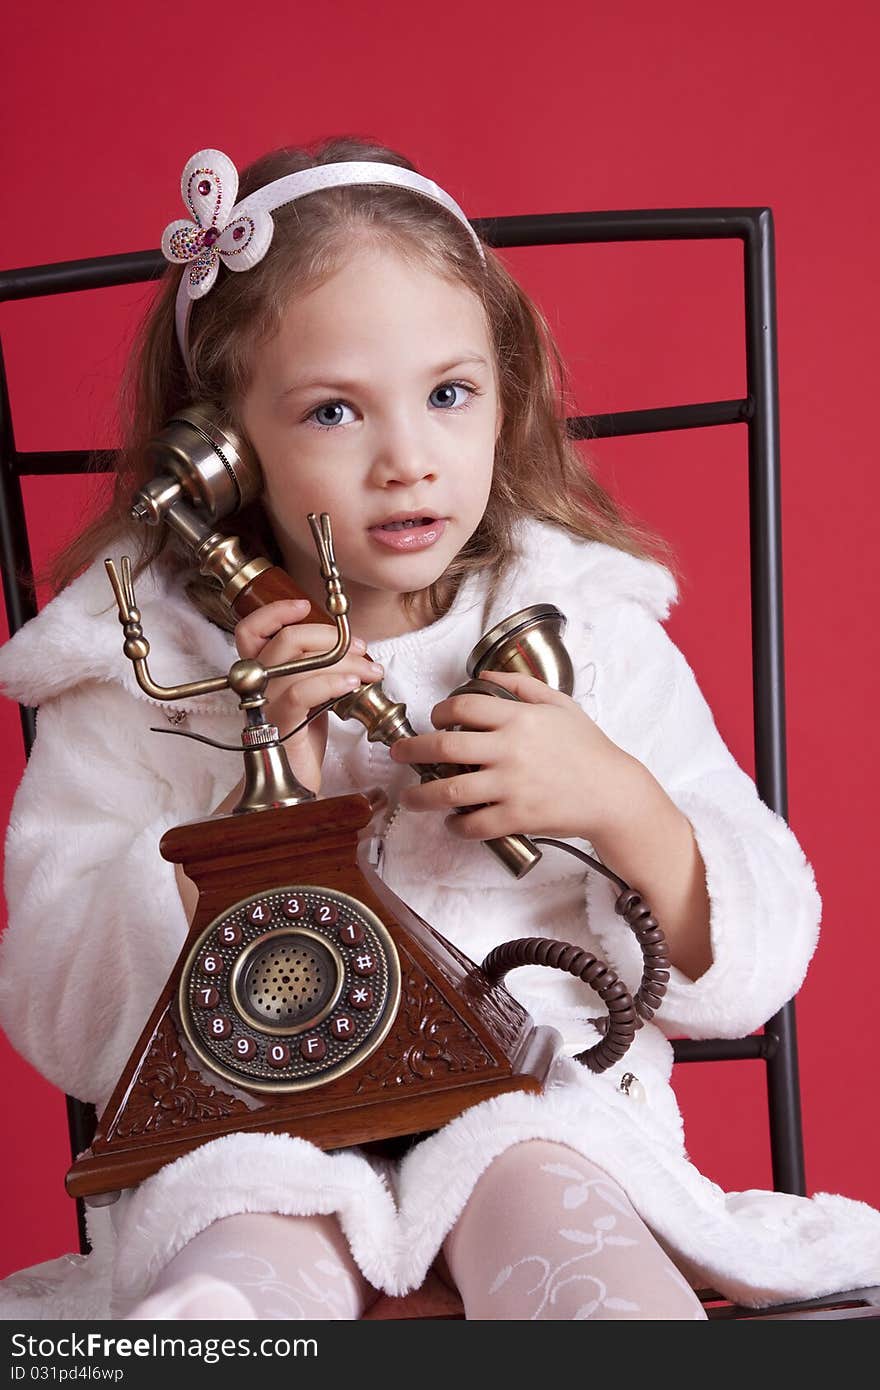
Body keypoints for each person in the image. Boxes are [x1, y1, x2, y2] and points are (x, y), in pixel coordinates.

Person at [0, 138, 878, 1324]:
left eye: (448, 394)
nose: (407, 458)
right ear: (217, 449)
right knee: (237, 1269)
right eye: (330, 411)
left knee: (556, 1215)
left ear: (506, 390)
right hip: (250, 1145)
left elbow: (753, 967)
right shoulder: (139, 664)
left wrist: (622, 805)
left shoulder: (582, 625)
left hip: (545, 1124)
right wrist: (259, 805)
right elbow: (58, 1000)